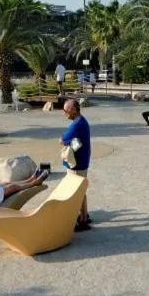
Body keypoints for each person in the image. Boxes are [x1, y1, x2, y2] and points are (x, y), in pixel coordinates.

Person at [60, 98, 92, 231]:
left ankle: (83, 220)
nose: (64, 113)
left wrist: (62, 140)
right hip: (82, 161)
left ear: (74, 109)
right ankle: (84, 216)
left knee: (78, 192)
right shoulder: (81, 121)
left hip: (76, 165)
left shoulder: (77, 124)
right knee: (81, 191)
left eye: (66, 110)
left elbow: (62, 141)